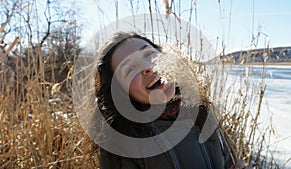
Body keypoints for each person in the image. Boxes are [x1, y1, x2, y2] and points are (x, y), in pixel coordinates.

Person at [94, 31, 251, 169]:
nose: (147, 67)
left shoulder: (203, 113)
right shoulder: (123, 145)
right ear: (121, 93)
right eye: (129, 69)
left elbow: (228, 162)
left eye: (149, 54)